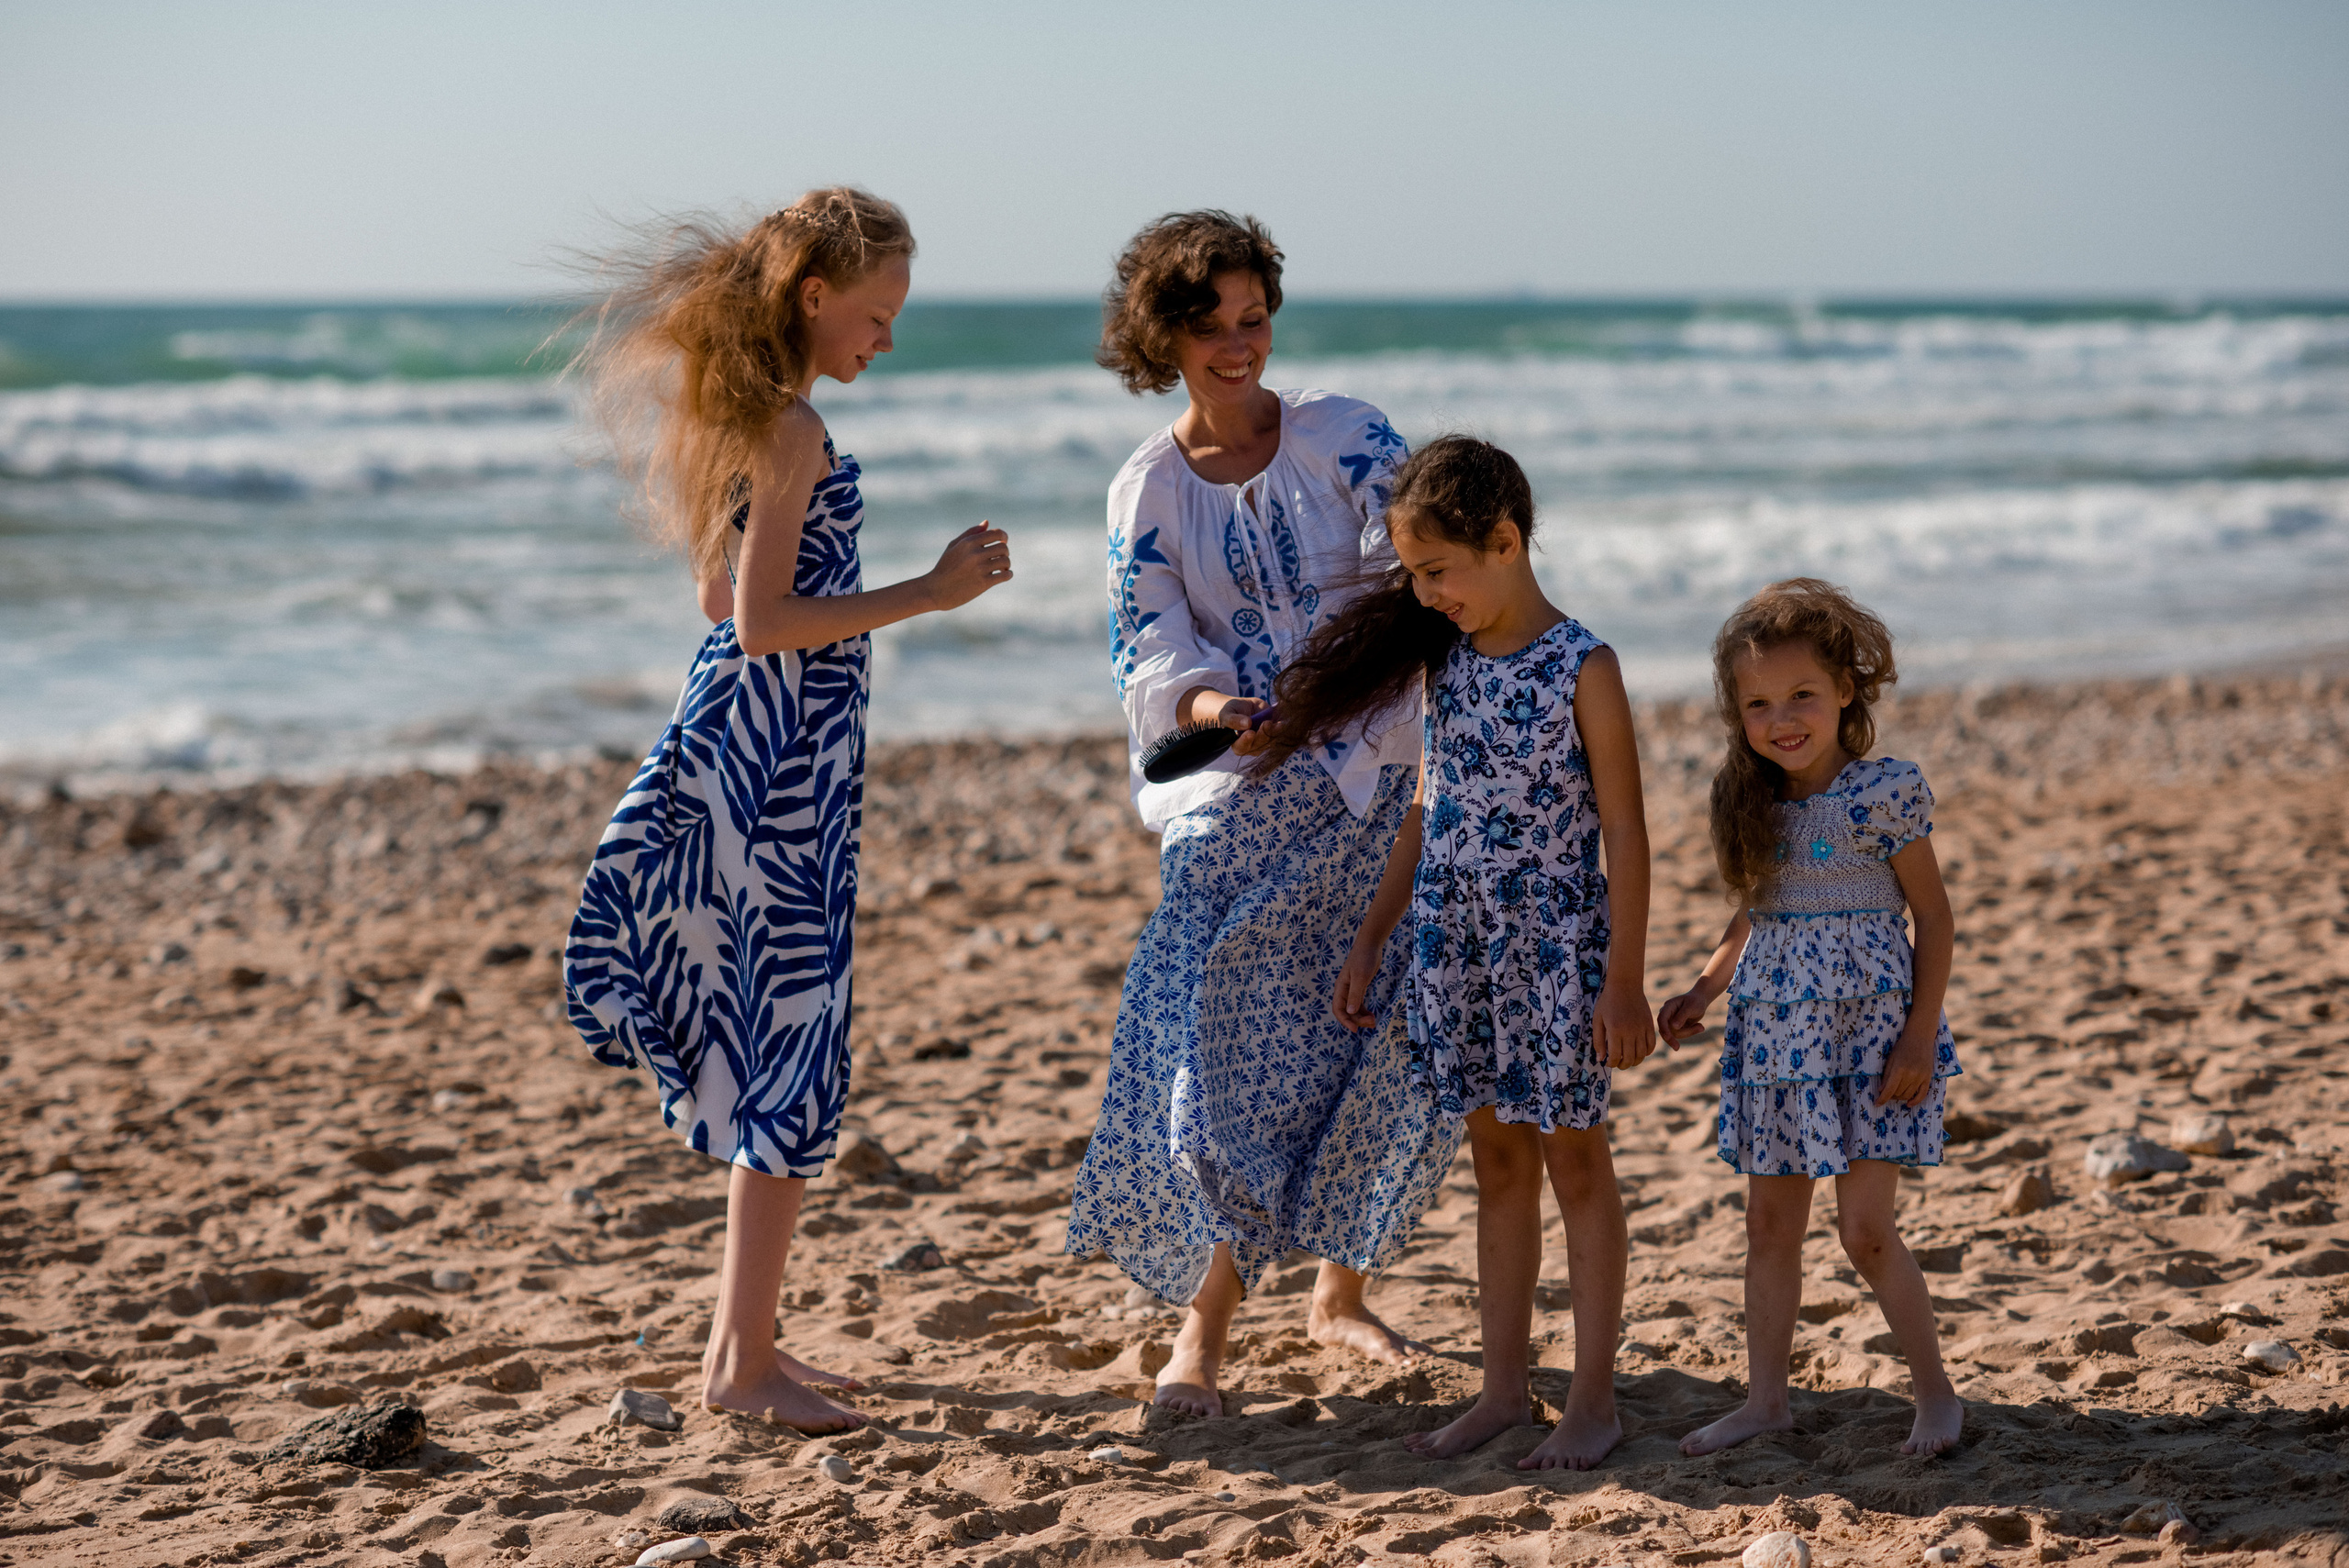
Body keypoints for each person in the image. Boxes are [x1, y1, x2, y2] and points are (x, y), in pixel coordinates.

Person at [562, 189, 1013, 1434]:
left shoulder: (746, 417)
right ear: (815, 298)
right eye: (875, 315)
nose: (885, 340)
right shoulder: (790, 428)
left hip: (763, 749)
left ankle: (742, 1344)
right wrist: (926, 590)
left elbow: (720, 601)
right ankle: (739, 1365)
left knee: (783, 1043)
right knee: (792, 1046)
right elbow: (760, 624)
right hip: (773, 771)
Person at [1064, 210, 1460, 1418]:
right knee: (1212, 1049)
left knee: (1368, 1023)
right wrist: (1209, 698)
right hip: (1232, 792)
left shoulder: (1346, 433)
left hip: (1375, 771)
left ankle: (1338, 1294)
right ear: (1162, 335)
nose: (1241, 346)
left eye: (1255, 318)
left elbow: (1424, 568)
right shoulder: (1147, 488)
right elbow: (1147, 648)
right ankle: (1204, 1333)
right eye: (1212, 325)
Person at [1273, 435, 1659, 1470]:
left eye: (1438, 570)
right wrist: (1375, 928)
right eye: (1413, 575)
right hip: (1458, 944)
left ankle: (1591, 1398)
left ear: (1505, 541)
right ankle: (1501, 1389)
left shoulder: (1584, 664)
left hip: (1555, 949)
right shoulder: (1446, 661)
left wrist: (1622, 976)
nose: (1426, 593)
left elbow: (1625, 830)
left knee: (1574, 1159)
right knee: (1495, 1163)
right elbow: (1425, 804)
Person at [1655, 578, 1964, 1459]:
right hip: (1780, 1039)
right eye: (1757, 703)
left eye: (1801, 696)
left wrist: (1919, 1034)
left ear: (1843, 694)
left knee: (1865, 1230)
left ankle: (1936, 1396)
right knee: (1768, 1227)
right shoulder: (1753, 802)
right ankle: (1765, 1401)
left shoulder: (1882, 794)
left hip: (1875, 1041)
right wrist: (1706, 988)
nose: (1781, 718)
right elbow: (1756, 913)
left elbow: (1934, 921)